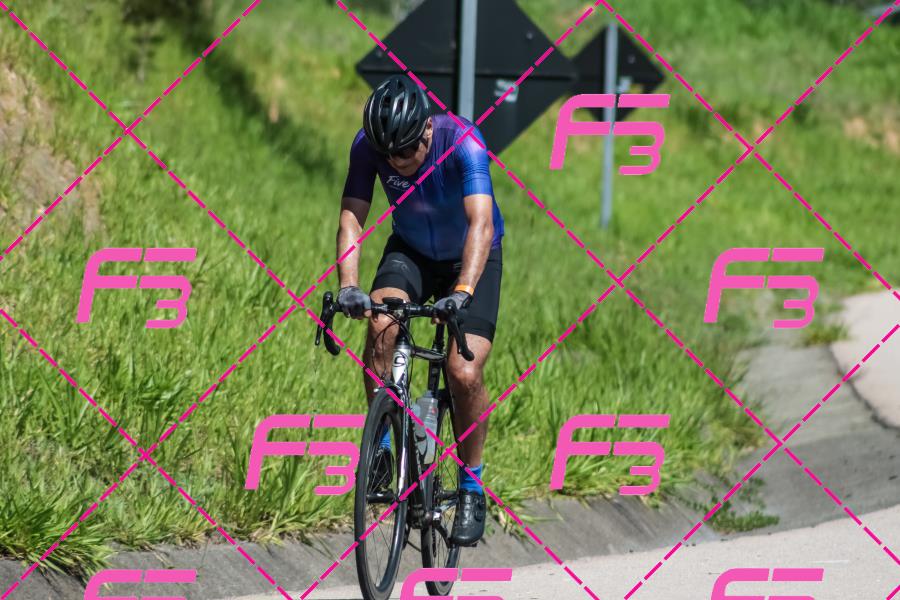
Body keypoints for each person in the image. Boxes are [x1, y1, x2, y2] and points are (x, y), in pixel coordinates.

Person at [335, 74, 504, 546]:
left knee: (463, 372)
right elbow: (351, 217)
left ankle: (472, 485)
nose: (398, 162)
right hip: (410, 250)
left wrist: (463, 290)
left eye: (407, 151)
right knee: (381, 325)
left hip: (473, 257)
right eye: (388, 154)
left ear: (427, 129)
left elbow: (480, 223)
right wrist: (349, 286)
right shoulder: (368, 146)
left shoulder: (463, 141)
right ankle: (384, 445)